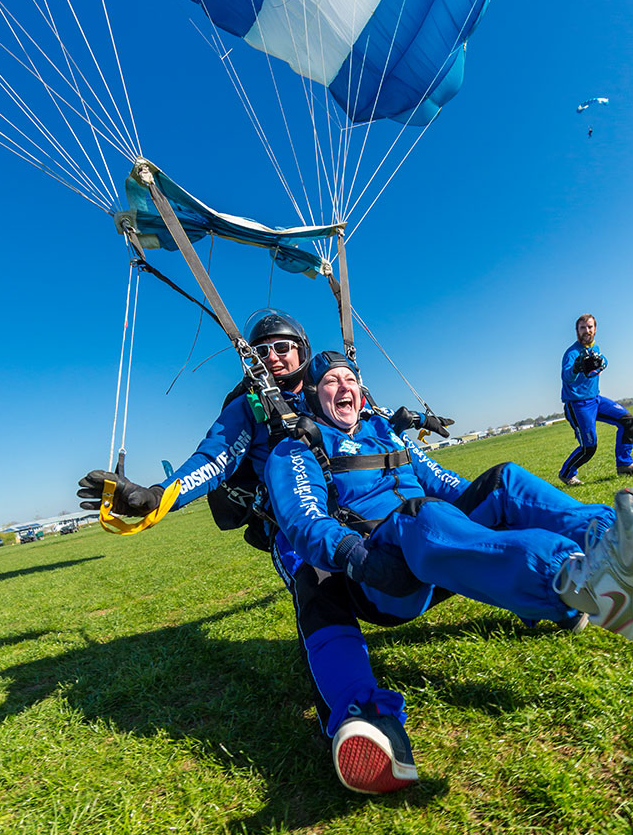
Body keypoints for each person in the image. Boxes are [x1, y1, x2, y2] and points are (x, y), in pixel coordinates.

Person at [265, 352, 633, 797]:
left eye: (349, 379)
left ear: (361, 392)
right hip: (380, 573)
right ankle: (584, 582)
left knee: (504, 480)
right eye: (330, 381)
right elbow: (304, 521)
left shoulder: (388, 435)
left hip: (436, 544)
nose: (342, 387)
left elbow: (452, 487)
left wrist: (491, 516)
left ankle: (625, 544)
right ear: (313, 393)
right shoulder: (299, 449)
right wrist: (357, 555)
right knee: (397, 529)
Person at [76, 311, 453, 745]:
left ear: (302, 352)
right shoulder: (248, 408)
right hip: (292, 527)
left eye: (282, 346)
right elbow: (213, 461)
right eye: (263, 349)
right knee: (316, 580)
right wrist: (159, 495)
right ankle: (355, 719)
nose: (272, 356)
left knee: (430, 538)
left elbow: (378, 417)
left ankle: (532, 584)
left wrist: (420, 421)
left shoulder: (327, 389)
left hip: (360, 511)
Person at [559, 313, 633, 487]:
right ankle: (566, 474)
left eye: (590, 327)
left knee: (627, 421)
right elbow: (566, 377)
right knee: (589, 447)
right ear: (576, 331)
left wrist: (603, 362)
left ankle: (625, 464)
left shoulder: (595, 347)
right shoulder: (571, 353)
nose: (587, 331)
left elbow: (603, 360)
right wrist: (577, 368)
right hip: (577, 405)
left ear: (595, 329)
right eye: (583, 328)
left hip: (596, 400)